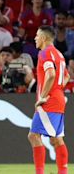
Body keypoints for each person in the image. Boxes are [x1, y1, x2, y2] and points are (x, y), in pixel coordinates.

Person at [28, 25, 70, 174]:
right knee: (56, 139)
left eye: (37, 35)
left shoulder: (44, 53)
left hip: (49, 101)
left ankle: (39, 172)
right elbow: (66, 76)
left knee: (33, 135)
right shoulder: (59, 54)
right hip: (58, 99)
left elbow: (51, 74)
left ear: (44, 38)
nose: (35, 38)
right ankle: (63, 171)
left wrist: (43, 96)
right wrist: (57, 89)